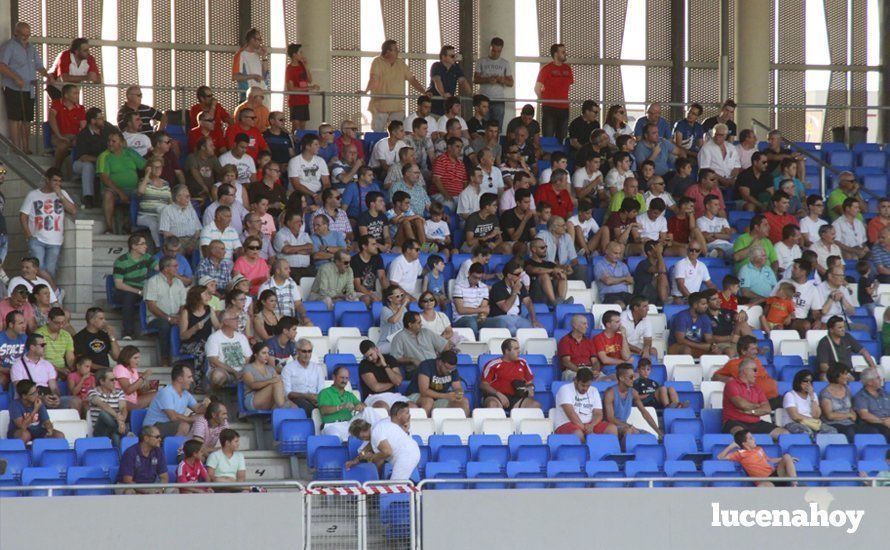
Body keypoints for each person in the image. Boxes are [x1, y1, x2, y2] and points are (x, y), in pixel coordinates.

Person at [18, 168, 77, 278]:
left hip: (55, 240)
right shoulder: (33, 195)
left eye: (60, 181)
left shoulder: (62, 193)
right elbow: (23, 216)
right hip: (36, 239)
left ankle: (50, 293)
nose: (58, 184)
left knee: (51, 271)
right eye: (55, 180)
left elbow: (73, 210)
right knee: (38, 269)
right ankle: (53, 292)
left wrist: (60, 195)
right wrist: (29, 236)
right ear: (47, 180)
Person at [0, 22, 47, 153]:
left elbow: (39, 65)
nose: (26, 37)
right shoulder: (9, 46)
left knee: (27, 119)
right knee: (15, 118)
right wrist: (16, 77)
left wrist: (48, 75)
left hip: (29, 89)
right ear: (16, 33)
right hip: (13, 88)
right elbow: (2, 65)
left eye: (28, 34)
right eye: (23, 34)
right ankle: (16, 147)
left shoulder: (32, 48)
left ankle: (25, 147)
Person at [364, 40, 426, 132]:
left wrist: (424, 92)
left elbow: (412, 79)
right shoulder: (377, 61)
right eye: (395, 49)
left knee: (399, 133)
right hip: (380, 106)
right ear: (388, 51)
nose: (398, 51)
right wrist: (365, 91)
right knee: (378, 133)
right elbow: (374, 78)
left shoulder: (401, 63)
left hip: (397, 106)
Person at [721, 359, 787, 442]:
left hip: (755, 423)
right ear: (744, 371)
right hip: (735, 422)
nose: (757, 374)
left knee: (785, 434)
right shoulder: (731, 384)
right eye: (754, 370)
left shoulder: (757, 388)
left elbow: (767, 409)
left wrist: (752, 412)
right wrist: (758, 405)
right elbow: (742, 405)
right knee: (742, 436)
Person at [712, 336, 780, 408]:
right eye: (753, 349)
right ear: (743, 351)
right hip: (758, 401)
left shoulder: (757, 361)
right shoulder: (733, 364)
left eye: (756, 349)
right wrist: (728, 379)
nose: (756, 352)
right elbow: (715, 376)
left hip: (773, 397)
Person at [144, 257, 187, 369]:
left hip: (176, 316)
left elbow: (184, 304)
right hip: (155, 319)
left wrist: (181, 317)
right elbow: (151, 306)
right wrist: (169, 318)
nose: (178, 268)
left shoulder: (179, 282)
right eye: (175, 266)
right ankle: (165, 358)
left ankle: (184, 357)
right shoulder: (153, 281)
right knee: (165, 324)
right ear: (166, 268)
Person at [553, 367, 617, 443]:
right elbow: (571, 414)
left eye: (588, 386)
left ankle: (609, 453)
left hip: (589, 425)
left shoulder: (594, 390)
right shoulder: (565, 389)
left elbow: (598, 413)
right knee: (578, 434)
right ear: (576, 380)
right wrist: (586, 429)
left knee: (612, 429)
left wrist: (592, 425)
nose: (585, 389)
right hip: (567, 423)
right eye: (583, 385)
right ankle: (587, 453)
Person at [143, 364, 208, 437]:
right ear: (180, 379)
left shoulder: (185, 394)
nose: (192, 380)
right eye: (189, 377)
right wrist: (191, 419)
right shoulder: (166, 392)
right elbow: (173, 417)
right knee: (184, 426)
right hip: (151, 428)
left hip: (170, 425)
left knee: (202, 419)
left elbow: (198, 409)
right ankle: (178, 448)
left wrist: (207, 405)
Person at [717, 429, 798, 487]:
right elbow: (720, 457)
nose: (754, 439)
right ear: (744, 443)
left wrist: (785, 460)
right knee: (763, 487)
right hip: (765, 482)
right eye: (751, 438)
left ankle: (794, 485)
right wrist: (732, 446)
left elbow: (768, 460)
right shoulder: (739, 454)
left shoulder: (759, 449)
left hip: (775, 475)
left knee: (787, 456)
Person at [603, 363, 662, 439]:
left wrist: (658, 432)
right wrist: (629, 426)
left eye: (634, 376)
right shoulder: (610, 393)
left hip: (625, 426)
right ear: (621, 378)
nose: (634, 379)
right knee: (629, 431)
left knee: (649, 436)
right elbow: (610, 418)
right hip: (610, 427)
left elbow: (644, 413)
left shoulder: (633, 392)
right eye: (631, 377)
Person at [480, 339, 539, 410]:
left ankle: (518, 420)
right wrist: (498, 394)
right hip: (496, 397)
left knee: (535, 405)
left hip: (517, 398)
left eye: (519, 348)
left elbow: (529, 382)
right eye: (516, 349)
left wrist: (530, 390)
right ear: (507, 351)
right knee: (492, 405)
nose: (519, 351)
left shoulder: (523, 363)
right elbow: (483, 385)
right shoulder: (493, 364)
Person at [406, 350, 468, 416]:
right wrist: (445, 396)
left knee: (463, 401)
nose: (449, 371)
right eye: (447, 368)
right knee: (428, 401)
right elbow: (424, 392)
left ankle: (464, 424)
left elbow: (457, 387)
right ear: (440, 362)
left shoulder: (452, 370)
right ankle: (423, 424)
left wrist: (458, 393)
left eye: (452, 369)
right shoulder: (426, 365)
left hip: (439, 398)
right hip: (418, 395)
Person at [815, 316, 877, 382]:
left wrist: (873, 368)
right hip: (834, 374)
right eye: (840, 327)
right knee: (823, 376)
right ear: (831, 330)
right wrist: (841, 375)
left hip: (849, 372)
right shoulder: (824, 343)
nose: (843, 329)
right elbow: (823, 366)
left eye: (843, 327)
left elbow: (864, 351)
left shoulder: (847, 337)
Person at [782, 370, 837, 438]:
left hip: (811, 422)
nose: (808, 383)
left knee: (831, 431)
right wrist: (811, 419)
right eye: (805, 381)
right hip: (793, 423)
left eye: (810, 381)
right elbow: (795, 416)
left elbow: (816, 415)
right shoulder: (790, 395)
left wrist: (812, 397)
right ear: (798, 381)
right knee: (807, 432)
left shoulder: (813, 395)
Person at [534, 43, 573, 139]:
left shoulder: (568, 68)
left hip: (564, 108)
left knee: (562, 138)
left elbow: (569, 87)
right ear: (556, 54)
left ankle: (560, 154)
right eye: (563, 52)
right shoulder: (546, 69)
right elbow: (537, 88)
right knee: (548, 137)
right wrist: (544, 102)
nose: (565, 54)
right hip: (549, 108)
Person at [358, 339, 409, 411]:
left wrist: (385, 365)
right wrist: (393, 383)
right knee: (382, 408)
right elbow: (376, 388)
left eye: (371, 355)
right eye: (367, 357)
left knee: (412, 407)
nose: (370, 358)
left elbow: (398, 380)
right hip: (374, 397)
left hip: (393, 395)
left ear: (376, 349)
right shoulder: (364, 364)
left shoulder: (390, 359)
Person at [318, 366, 367, 441]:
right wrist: (341, 406)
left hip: (349, 424)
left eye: (346, 378)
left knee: (368, 411)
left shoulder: (349, 394)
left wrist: (360, 406)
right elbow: (323, 410)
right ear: (334, 377)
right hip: (331, 425)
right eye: (342, 377)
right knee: (336, 438)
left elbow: (363, 405)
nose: (344, 380)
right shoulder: (325, 392)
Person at [281, 338, 326, 417]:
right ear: (297, 351)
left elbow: (321, 389)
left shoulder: (317, 368)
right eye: (304, 351)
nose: (307, 354)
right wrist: (306, 396)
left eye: (309, 351)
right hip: (297, 399)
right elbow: (287, 393)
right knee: (308, 408)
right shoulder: (288, 368)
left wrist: (318, 398)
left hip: (315, 399)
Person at [118, 425, 168, 493]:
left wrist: (161, 489)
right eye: (157, 437)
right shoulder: (130, 453)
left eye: (160, 437)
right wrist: (146, 491)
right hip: (128, 486)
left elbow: (164, 477)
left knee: (173, 490)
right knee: (129, 492)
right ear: (146, 438)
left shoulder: (158, 451)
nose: (160, 439)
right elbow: (128, 480)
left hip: (151, 485)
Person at [88, 368, 128, 447]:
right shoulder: (92, 392)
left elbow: (123, 408)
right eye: (111, 380)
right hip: (100, 430)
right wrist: (119, 420)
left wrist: (122, 421)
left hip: (115, 427)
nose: (115, 382)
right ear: (102, 381)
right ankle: (123, 430)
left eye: (115, 379)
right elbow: (103, 405)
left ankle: (117, 457)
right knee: (103, 414)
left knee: (115, 435)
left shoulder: (119, 392)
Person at [241, 342, 288, 410]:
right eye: (264, 353)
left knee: (294, 405)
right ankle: (283, 408)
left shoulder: (270, 369)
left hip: (270, 401)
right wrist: (270, 381)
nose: (267, 356)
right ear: (256, 354)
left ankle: (283, 408)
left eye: (268, 353)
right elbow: (252, 385)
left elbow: (278, 383)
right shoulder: (248, 368)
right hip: (253, 399)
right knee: (276, 383)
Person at [274, 211, 314, 283]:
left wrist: (294, 250)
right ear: (289, 223)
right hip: (289, 270)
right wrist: (304, 247)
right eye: (297, 222)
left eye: (301, 221)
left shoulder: (304, 234)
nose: (300, 224)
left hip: (306, 269)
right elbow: (287, 250)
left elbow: (311, 249)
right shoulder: (281, 234)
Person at [34, 307, 74, 379]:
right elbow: (40, 360)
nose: (61, 326)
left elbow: (70, 358)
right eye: (57, 323)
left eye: (63, 322)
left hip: (63, 370)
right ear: (49, 320)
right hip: (44, 369)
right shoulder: (39, 334)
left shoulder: (66, 335)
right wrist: (59, 369)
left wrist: (74, 368)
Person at [113, 345, 157, 410]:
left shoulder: (133, 370)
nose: (138, 360)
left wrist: (148, 387)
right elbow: (128, 390)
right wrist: (143, 377)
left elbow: (136, 389)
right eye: (135, 358)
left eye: (139, 358)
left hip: (133, 400)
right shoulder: (120, 368)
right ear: (127, 358)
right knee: (158, 395)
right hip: (123, 402)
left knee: (159, 393)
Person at [853, 368, 890, 441]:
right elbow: (864, 415)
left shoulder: (885, 394)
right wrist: (883, 422)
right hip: (872, 424)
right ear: (870, 382)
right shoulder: (861, 396)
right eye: (878, 377)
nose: (881, 379)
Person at [350, 235, 388, 305]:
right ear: (364, 246)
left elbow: (382, 277)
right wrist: (372, 295)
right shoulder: (354, 260)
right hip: (358, 293)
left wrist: (389, 293)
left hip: (373, 292)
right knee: (367, 299)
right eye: (373, 244)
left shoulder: (377, 257)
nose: (376, 246)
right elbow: (357, 285)